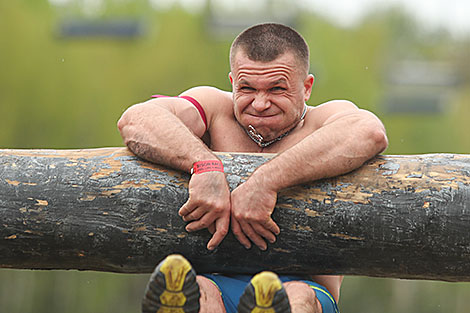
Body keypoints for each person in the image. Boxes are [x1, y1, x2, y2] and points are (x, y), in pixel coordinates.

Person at [118, 23, 388, 313]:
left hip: (305, 286)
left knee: (295, 297)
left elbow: (369, 131)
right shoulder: (214, 108)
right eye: (246, 88)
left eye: (277, 89)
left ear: (306, 87)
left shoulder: (323, 120)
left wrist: (266, 181)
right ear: (232, 81)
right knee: (199, 291)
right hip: (216, 279)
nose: (260, 103)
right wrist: (205, 164)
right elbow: (137, 119)